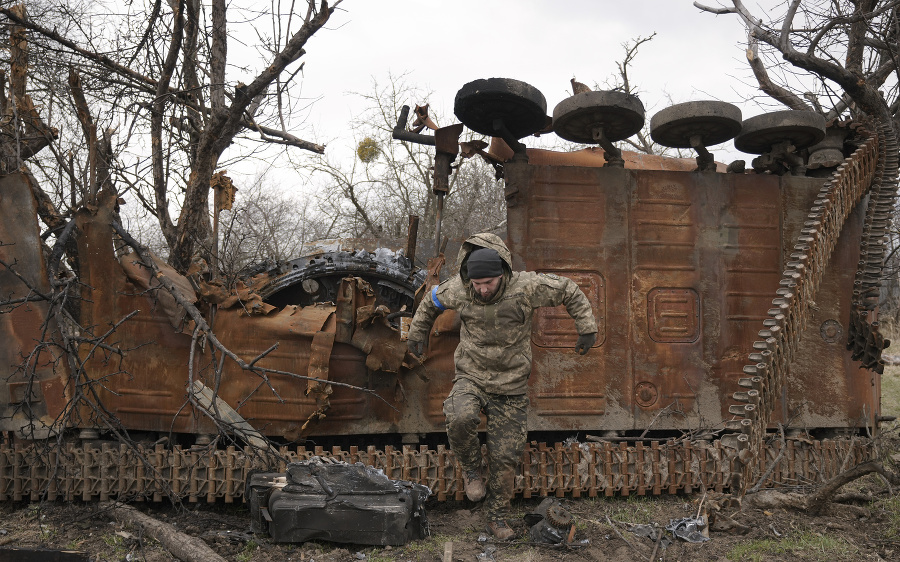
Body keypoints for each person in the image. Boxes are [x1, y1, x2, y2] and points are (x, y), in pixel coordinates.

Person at [407, 233, 598, 540]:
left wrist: (586, 327)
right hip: (472, 375)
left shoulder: (527, 287)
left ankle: (496, 518)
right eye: (477, 284)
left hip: (511, 385)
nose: (482, 290)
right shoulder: (459, 287)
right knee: (458, 415)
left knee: (505, 456)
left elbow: (569, 290)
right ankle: (471, 470)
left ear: (502, 275)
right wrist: (417, 333)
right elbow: (431, 302)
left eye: (489, 283)